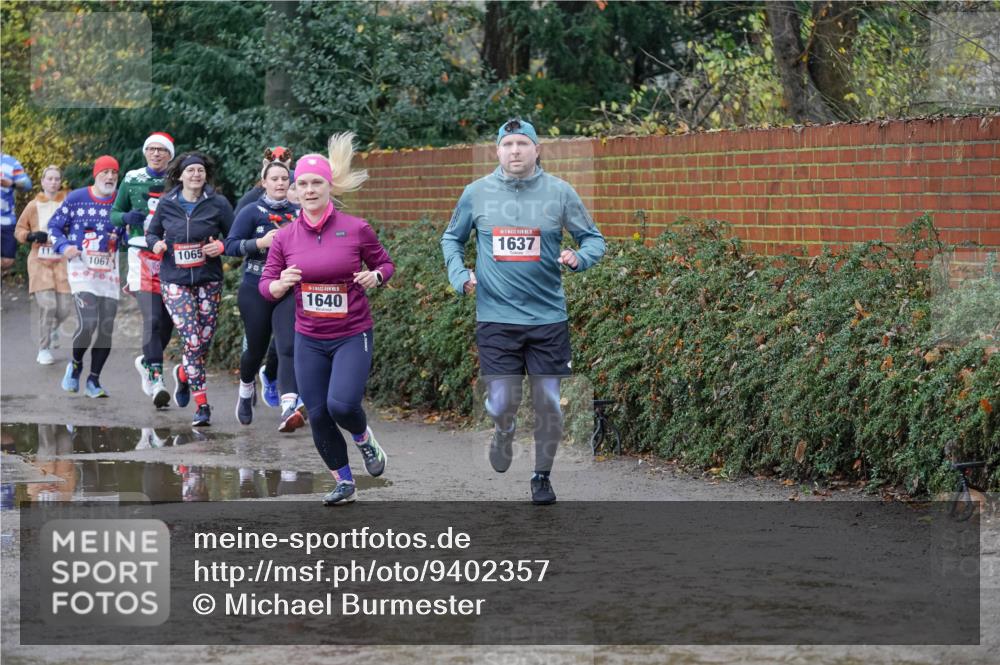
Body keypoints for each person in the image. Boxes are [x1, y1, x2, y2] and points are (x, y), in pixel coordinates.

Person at [441, 118, 606, 505]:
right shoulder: (477, 193)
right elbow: (452, 238)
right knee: (502, 401)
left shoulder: (560, 193)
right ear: (498, 150)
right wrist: (458, 273)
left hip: (548, 319)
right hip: (496, 318)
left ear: (537, 149)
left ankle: (541, 476)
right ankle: (503, 429)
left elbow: (594, 240)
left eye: (522, 143)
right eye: (507, 144)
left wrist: (578, 257)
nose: (514, 151)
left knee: (550, 403)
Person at [259, 134, 394, 505]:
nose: (309, 189)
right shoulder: (285, 237)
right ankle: (344, 482)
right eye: (302, 183)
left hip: (352, 333)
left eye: (316, 182)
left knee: (342, 406)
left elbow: (385, 263)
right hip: (309, 336)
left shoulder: (355, 228)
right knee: (317, 413)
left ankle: (364, 440)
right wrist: (279, 285)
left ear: (328, 186)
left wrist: (376, 276)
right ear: (294, 190)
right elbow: (266, 285)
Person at [146, 152, 234, 426]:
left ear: (206, 175)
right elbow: (152, 232)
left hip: (208, 279)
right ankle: (202, 405)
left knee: (203, 342)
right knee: (192, 340)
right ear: (180, 175)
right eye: (190, 171)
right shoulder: (167, 202)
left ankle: (184, 374)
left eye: (200, 171)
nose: (196, 175)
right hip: (175, 280)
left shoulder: (218, 204)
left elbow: (234, 237)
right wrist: (156, 244)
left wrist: (220, 247)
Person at [224, 159, 307, 430]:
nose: (281, 183)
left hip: (289, 288)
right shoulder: (251, 211)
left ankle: (288, 406)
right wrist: (260, 242)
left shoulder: (299, 213)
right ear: (265, 182)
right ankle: (246, 389)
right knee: (256, 349)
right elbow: (230, 246)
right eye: (275, 179)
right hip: (255, 286)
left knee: (288, 346)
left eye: (285, 179)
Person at [48, 155, 123, 398]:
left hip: (109, 271)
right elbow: (54, 226)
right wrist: (63, 246)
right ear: (96, 174)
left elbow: (133, 232)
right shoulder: (77, 197)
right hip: (81, 270)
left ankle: (94, 381)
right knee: (89, 322)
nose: (110, 177)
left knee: (105, 328)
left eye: (114, 173)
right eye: (105, 173)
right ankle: (76, 364)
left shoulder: (123, 200)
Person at [111, 131, 176, 408]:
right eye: (152, 149)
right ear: (146, 152)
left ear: (170, 155)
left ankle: (146, 361)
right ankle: (157, 378)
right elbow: (114, 212)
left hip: (172, 256)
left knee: (168, 322)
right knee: (152, 319)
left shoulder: (178, 179)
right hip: (140, 255)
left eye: (162, 150)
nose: (157, 153)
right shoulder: (133, 178)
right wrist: (126, 217)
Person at [14, 165, 72, 365]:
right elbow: (19, 229)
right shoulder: (33, 205)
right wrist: (30, 235)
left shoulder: (67, 203)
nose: (54, 182)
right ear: (43, 181)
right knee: (48, 305)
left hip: (62, 261)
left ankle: (53, 329)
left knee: (64, 307)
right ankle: (44, 348)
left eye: (57, 179)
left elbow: (78, 226)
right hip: (39, 261)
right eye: (50, 179)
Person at [1, 139, 33, 276]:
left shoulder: (11, 162)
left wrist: (11, 184)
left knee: (8, 261)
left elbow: (27, 185)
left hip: (6, 219)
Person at [234, 146, 294, 215]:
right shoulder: (254, 196)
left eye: (284, 178)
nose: (280, 182)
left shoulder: (296, 180)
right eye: (274, 179)